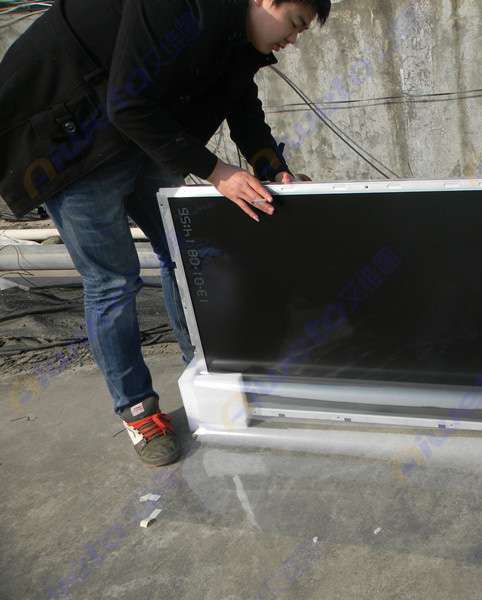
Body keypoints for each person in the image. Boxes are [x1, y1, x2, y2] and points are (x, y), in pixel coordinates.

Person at [0, 0, 331, 466]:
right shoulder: (183, 5)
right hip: (67, 141)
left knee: (187, 253)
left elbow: (240, 100)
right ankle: (138, 410)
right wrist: (216, 172)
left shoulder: (235, 34)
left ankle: (206, 374)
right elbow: (125, 101)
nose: (293, 39)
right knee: (112, 281)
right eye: (294, 22)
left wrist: (272, 167)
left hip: (139, 130)